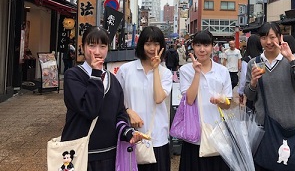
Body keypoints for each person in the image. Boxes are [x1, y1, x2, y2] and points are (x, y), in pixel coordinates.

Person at [61, 26, 143, 170]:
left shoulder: (113, 80)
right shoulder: (72, 76)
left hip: (108, 154)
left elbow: (119, 114)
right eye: (91, 45)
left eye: (102, 46)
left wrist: (128, 132)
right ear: (83, 47)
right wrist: (96, 74)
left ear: (108, 49)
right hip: (79, 152)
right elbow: (89, 110)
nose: (97, 52)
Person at [244, 22, 295, 171]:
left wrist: (291, 58)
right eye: (264, 37)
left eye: (272, 37)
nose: (268, 42)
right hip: (264, 128)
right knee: (264, 165)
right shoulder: (254, 64)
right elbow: (249, 96)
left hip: (288, 126)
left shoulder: (292, 61)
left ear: (280, 37)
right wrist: (253, 83)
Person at [116, 26, 173, 171]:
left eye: (156, 44)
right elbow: (115, 100)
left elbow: (159, 98)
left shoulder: (165, 73)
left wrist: (155, 70)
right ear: (141, 45)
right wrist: (128, 111)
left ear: (162, 46)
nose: (152, 48)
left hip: (157, 137)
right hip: (132, 135)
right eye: (148, 44)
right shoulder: (126, 70)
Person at [178, 30, 232, 171]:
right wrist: (197, 73)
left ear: (213, 47)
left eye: (206, 45)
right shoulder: (185, 70)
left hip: (218, 133)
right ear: (193, 47)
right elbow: (189, 100)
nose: (202, 50)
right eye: (198, 45)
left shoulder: (222, 71)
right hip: (194, 134)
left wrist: (221, 100)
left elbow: (229, 104)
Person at [238, 34, 262, 110]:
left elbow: (243, 78)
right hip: (262, 92)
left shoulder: (247, 60)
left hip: (251, 91)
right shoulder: (262, 58)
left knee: (251, 116)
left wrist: (241, 92)